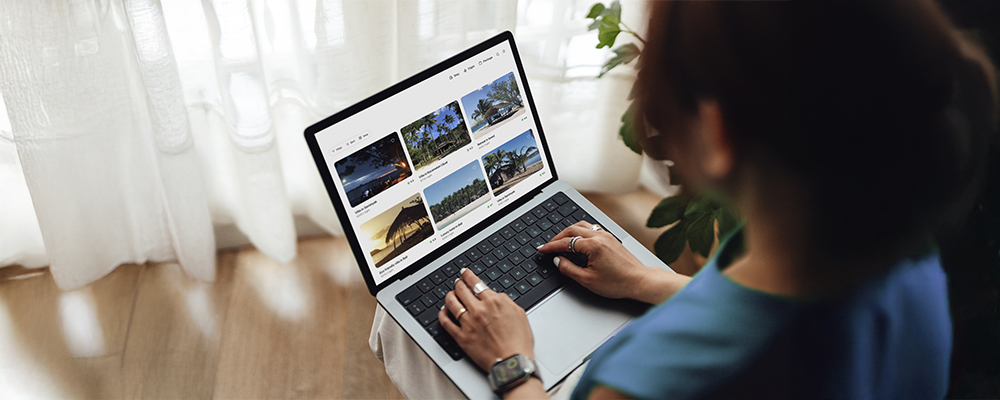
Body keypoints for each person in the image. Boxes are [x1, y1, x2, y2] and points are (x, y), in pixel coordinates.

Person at [417, 1, 999, 399]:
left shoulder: (651, 377)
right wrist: (647, 281)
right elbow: (768, 316)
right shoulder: (911, 257)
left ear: (718, 133)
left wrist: (512, 366)